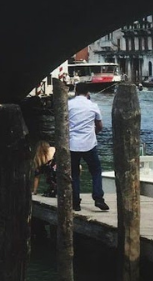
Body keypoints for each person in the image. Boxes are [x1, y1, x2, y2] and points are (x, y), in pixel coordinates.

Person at [68, 83, 108, 212]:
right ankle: (98, 198)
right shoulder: (93, 106)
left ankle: (75, 202)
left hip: (72, 144)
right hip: (89, 144)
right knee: (96, 171)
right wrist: (93, 133)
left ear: (75, 91)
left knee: (74, 173)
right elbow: (100, 126)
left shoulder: (69, 105)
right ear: (88, 92)